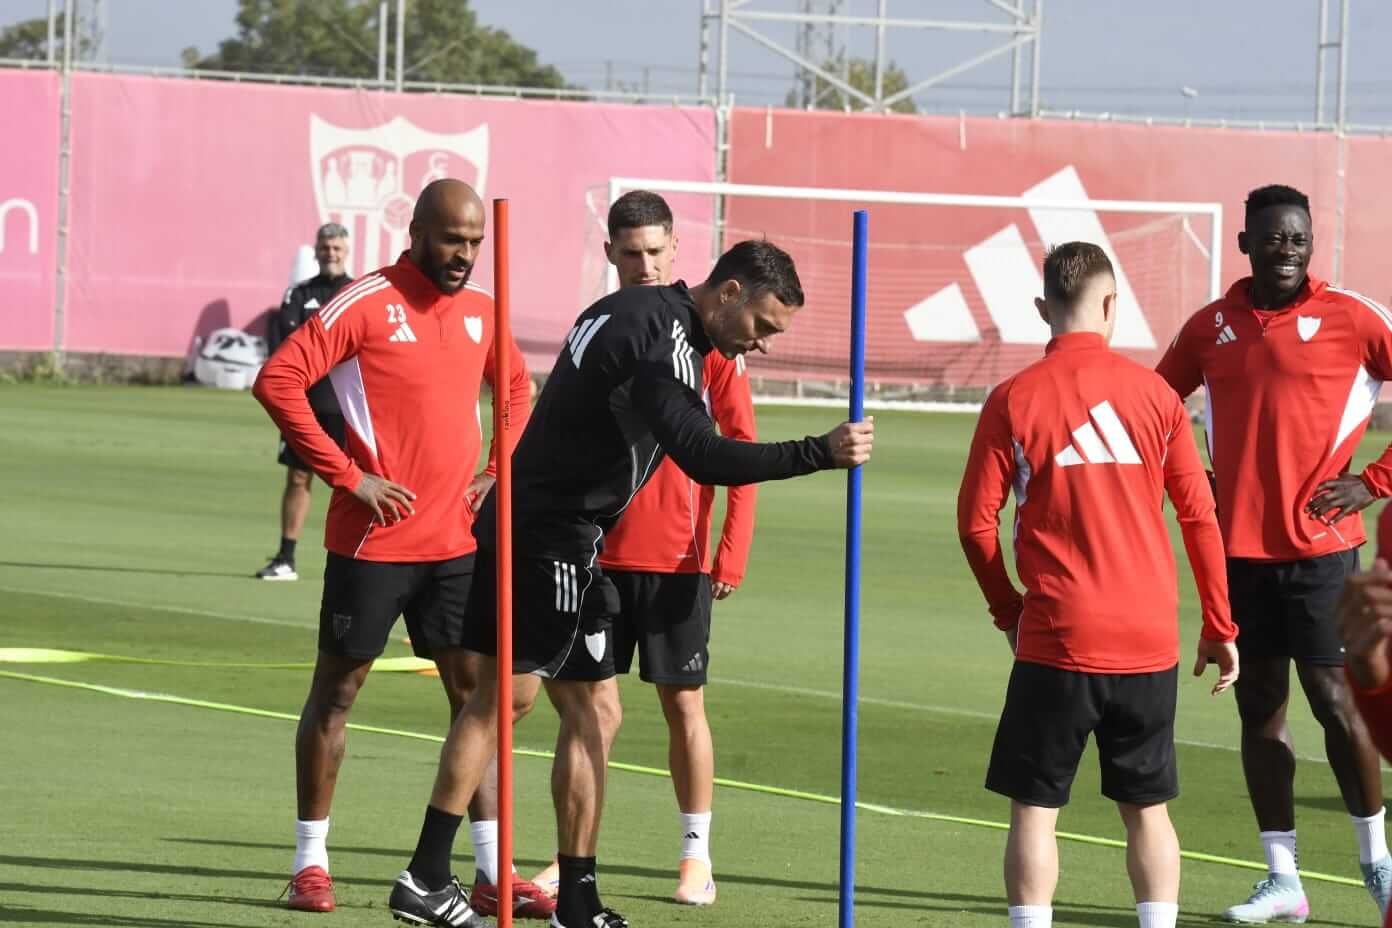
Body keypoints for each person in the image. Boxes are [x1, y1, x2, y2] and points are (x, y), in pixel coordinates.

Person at [386, 239, 874, 928]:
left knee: (577, 713)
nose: (759, 344)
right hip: (549, 538)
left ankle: (561, 896)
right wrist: (818, 453)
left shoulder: (632, 308)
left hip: (536, 528)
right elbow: (702, 455)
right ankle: (431, 876)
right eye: (761, 326)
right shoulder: (667, 341)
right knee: (519, 706)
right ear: (729, 293)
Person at [253, 179, 547, 920]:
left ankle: (489, 870)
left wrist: (494, 471)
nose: (465, 255)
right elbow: (278, 379)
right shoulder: (365, 301)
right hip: (372, 545)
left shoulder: (484, 313)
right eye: (453, 239)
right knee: (338, 695)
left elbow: (517, 391)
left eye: (476, 242)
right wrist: (350, 477)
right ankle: (309, 864)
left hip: (457, 547)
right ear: (416, 231)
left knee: (476, 703)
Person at [958, 241, 1240, 928]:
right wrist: (1220, 625)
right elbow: (1200, 515)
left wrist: (1006, 610)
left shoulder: (1013, 398)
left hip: (1058, 636)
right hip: (1148, 639)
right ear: (1112, 305)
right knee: (1147, 810)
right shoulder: (1157, 397)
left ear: (1040, 308)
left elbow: (975, 524)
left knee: (1036, 808)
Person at [1156, 184, 1392, 923]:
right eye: (1273, 238)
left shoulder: (1353, 318)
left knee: (1335, 702)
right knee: (1259, 707)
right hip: (1238, 553)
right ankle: (1283, 877)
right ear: (1245, 244)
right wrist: (1194, 480)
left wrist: (1375, 481)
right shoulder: (1210, 327)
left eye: (1298, 239)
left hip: (1323, 551)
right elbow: (1157, 408)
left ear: (1310, 243)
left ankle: (1376, 863)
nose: (1286, 250)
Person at [591, 190, 756, 906]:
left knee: (682, 706)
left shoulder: (711, 346)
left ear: (676, 250)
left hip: (677, 558)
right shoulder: (599, 329)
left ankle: (697, 855)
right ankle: (576, 858)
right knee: (593, 713)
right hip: (596, 552)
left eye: (656, 252)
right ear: (610, 256)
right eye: (631, 254)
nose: (645, 266)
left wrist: (731, 553)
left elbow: (743, 451)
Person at [256, 223, 353, 581]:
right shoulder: (298, 294)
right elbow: (288, 344)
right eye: (325, 247)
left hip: (346, 408)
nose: (330, 253)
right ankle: (286, 557)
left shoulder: (356, 293)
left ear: (346, 251)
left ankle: (359, 560)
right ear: (316, 250)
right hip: (305, 404)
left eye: (337, 248)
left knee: (354, 482)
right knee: (298, 478)